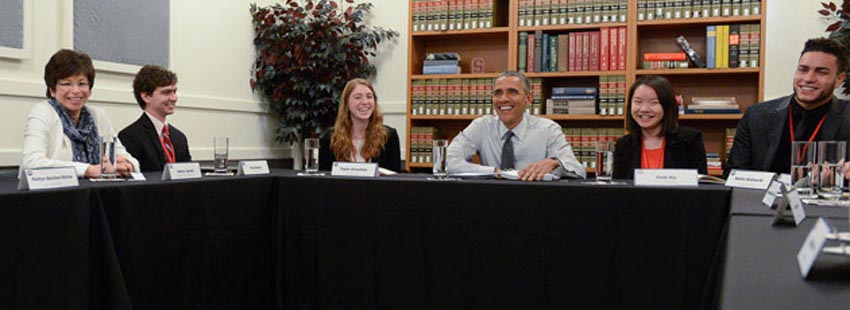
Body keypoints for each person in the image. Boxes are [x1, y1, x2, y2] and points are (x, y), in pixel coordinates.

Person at [726, 38, 850, 177]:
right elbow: (734, 175)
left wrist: (838, 180)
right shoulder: (756, 116)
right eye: (803, 70)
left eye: (821, 72)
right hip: (764, 198)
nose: (809, 78)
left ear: (839, 79)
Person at [446, 70, 585, 181]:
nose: (503, 99)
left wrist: (555, 162)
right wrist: (495, 172)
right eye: (497, 93)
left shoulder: (548, 129)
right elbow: (449, 161)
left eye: (512, 92)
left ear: (529, 99)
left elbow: (578, 170)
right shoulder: (481, 126)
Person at [20, 49, 139, 178]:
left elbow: (124, 156)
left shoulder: (99, 115)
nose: (76, 90)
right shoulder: (42, 113)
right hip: (52, 195)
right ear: (52, 90)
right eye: (66, 84)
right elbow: (31, 163)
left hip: (95, 193)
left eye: (82, 84)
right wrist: (88, 170)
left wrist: (127, 165)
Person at [613, 75, 707, 179]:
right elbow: (618, 190)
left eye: (654, 103)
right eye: (638, 102)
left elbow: (702, 188)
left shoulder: (690, 140)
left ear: (667, 106)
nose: (644, 109)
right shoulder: (623, 145)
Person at [119, 65, 191, 172]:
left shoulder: (179, 138)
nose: (174, 98)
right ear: (146, 97)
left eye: (174, 91)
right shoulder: (130, 136)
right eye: (166, 92)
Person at [318, 78, 401, 172]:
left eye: (369, 97)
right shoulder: (330, 138)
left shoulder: (389, 136)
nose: (365, 102)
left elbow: (395, 178)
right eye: (358, 97)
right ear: (347, 103)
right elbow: (325, 179)